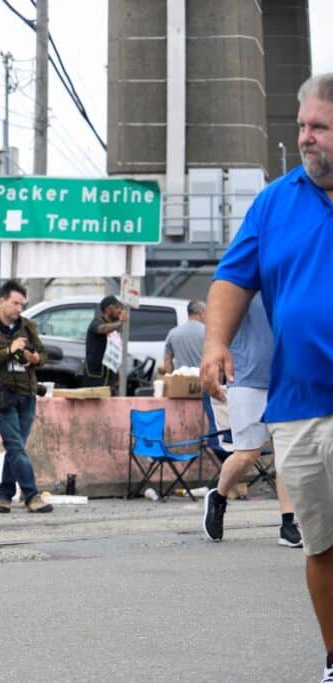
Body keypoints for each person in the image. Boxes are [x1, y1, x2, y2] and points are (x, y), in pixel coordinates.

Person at [200, 73, 333, 683]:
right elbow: (233, 277)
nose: (305, 138)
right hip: (299, 403)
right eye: (302, 125)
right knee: (321, 545)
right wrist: (215, 342)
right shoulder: (275, 202)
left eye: (320, 128)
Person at [202, 293, 300, 547]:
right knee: (247, 455)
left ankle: (288, 523)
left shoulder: (287, 286)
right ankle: (218, 497)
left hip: (285, 380)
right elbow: (218, 323)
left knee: (285, 454)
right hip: (247, 379)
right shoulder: (242, 287)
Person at [0, 280, 53, 514]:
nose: (19, 309)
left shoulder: (28, 326)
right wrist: (9, 351)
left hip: (27, 392)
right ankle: (31, 495)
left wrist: (35, 359)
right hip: (2, 394)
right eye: (15, 303)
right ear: (1, 301)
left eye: (22, 304)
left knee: (17, 447)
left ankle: (4, 494)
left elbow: (43, 354)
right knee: (14, 444)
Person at [84, 294, 127, 394]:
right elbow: (102, 329)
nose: (120, 310)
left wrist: (118, 373)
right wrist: (120, 322)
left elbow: (114, 351)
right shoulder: (96, 323)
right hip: (96, 375)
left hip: (110, 374)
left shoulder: (114, 326)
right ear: (108, 309)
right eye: (117, 307)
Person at [159, 299, 206, 375]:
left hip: (181, 378)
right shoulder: (207, 332)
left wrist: (170, 375)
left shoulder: (173, 333)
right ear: (201, 313)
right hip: (202, 378)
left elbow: (167, 360)